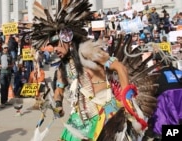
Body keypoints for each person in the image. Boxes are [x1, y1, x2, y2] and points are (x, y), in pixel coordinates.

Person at [31, 1, 159, 140]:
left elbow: (119, 67)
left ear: (66, 37)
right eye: (52, 45)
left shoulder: (88, 52)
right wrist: (57, 105)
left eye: (56, 44)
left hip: (103, 113)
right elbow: (59, 90)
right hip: (78, 120)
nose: (54, 49)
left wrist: (127, 100)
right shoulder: (63, 67)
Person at [0, 44, 13, 108]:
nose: (6, 49)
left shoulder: (9, 55)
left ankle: (6, 100)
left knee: (7, 87)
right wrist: (1, 66)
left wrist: (9, 66)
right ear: (2, 48)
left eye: (7, 48)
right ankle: (2, 102)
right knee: (3, 87)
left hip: (8, 72)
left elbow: (12, 64)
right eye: (5, 48)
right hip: (2, 73)